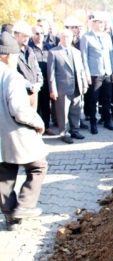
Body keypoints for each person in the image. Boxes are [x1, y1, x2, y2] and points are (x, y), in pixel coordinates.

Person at [0, 31, 48, 231]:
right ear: (9, 55)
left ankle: (11, 217)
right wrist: (38, 122)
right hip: (15, 135)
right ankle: (24, 206)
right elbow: (19, 110)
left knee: (4, 176)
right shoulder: (12, 77)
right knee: (38, 166)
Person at [48, 29, 88, 144]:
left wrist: (84, 84)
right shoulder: (53, 52)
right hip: (62, 88)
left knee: (76, 110)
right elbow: (51, 74)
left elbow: (81, 70)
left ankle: (75, 130)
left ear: (72, 38)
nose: (66, 39)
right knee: (63, 112)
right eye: (64, 36)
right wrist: (53, 90)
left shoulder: (76, 52)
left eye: (68, 37)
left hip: (76, 87)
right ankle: (64, 133)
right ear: (60, 38)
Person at [80, 12, 113, 135]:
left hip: (107, 73)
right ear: (93, 23)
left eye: (103, 23)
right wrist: (86, 74)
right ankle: (93, 123)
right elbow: (84, 57)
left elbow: (111, 55)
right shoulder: (86, 37)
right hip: (94, 74)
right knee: (93, 100)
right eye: (99, 22)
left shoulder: (107, 37)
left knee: (106, 99)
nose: (102, 25)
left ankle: (107, 121)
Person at [29, 25, 56, 136]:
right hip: (34, 82)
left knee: (46, 105)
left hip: (47, 81)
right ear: (32, 35)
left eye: (42, 33)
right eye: (37, 33)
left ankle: (47, 126)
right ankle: (36, 128)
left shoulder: (49, 47)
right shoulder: (29, 48)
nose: (40, 36)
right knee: (36, 106)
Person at [13, 21, 44, 111]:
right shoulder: (12, 52)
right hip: (21, 92)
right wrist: (30, 86)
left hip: (34, 91)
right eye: (24, 36)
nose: (26, 38)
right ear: (16, 35)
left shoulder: (29, 50)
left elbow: (37, 69)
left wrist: (39, 83)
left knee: (32, 119)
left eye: (28, 36)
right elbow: (14, 74)